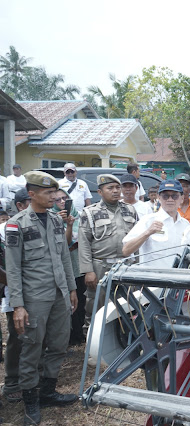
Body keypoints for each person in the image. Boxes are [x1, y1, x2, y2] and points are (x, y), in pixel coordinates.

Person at [5, 171, 78, 424]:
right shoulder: (16, 224)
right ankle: (30, 400)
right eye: (49, 193)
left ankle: (48, 391)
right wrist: (18, 305)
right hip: (34, 297)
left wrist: (71, 288)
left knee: (59, 344)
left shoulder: (57, 221)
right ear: (32, 193)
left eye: (55, 193)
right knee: (32, 348)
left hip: (59, 294)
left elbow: (64, 257)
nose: (55, 197)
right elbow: (12, 268)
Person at [78, 175, 138, 332]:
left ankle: (122, 342)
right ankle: (93, 351)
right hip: (100, 266)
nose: (116, 191)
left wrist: (138, 265)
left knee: (126, 307)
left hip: (126, 266)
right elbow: (84, 243)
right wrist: (88, 271)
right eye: (110, 188)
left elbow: (137, 240)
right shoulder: (89, 213)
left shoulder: (130, 210)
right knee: (96, 308)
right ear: (100, 192)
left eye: (117, 188)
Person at [0, 188, 30, 405]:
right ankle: (12, 381)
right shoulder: (5, 229)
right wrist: (17, 285)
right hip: (16, 290)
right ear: (20, 205)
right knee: (16, 336)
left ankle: (31, 377)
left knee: (35, 335)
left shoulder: (43, 223)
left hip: (39, 290)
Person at [122, 179, 190, 268]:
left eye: (174, 196)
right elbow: (126, 250)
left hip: (178, 277)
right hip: (152, 278)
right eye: (165, 196)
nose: (170, 200)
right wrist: (147, 232)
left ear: (181, 198)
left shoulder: (185, 224)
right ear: (159, 197)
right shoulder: (148, 220)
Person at [51, 188, 85, 345]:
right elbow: (65, 243)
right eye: (57, 199)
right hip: (62, 263)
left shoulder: (77, 215)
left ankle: (79, 334)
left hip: (78, 262)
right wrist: (64, 224)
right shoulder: (51, 217)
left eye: (65, 198)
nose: (62, 202)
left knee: (80, 297)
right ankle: (69, 336)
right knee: (67, 300)